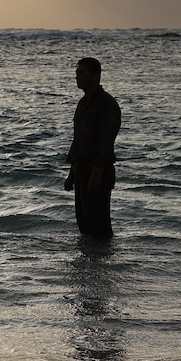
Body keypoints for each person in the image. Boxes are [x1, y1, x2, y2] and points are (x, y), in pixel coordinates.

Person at [64, 57, 121, 239]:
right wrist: (72, 174)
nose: (77, 77)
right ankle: (88, 265)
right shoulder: (82, 104)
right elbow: (78, 141)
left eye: (82, 73)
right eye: (77, 73)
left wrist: (97, 173)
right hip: (81, 170)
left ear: (95, 76)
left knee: (100, 227)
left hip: (98, 173)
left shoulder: (107, 104)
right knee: (84, 227)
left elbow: (107, 141)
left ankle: (104, 263)